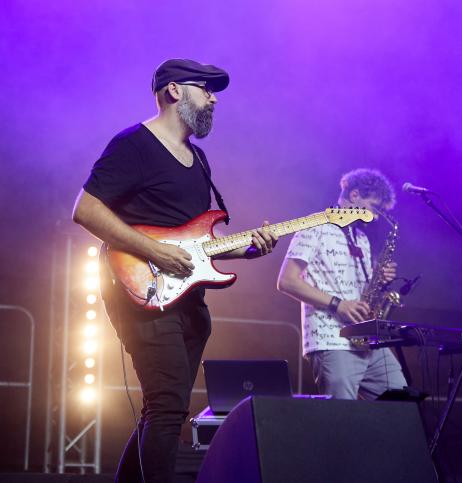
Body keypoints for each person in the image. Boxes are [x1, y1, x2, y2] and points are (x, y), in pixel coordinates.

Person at [72, 59, 278, 483]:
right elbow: (86, 209)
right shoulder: (133, 144)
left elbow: (197, 244)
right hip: (142, 290)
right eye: (206, 89)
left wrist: (247, 249)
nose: (214, 99)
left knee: (162, 409)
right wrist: (155, 252)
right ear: (174, 91)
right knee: (166, 407)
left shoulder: (199, 159)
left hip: (187, 297)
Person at [277, 168, 407, 399]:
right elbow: (286, 281)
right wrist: (339, 304)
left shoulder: (361, 238)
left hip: (366, 340)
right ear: (354, 195)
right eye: (374, 207)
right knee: (342, 416)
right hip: (332, 339)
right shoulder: (314, 227)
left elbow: (360, 291)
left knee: (403, 402)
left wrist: (380, 279)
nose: (377, 217)